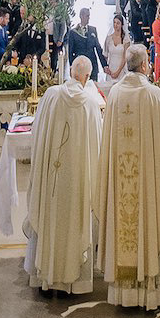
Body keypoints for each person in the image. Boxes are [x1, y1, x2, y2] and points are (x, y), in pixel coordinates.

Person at [95, 44, 160, 311]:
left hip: (122, 183)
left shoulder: (115, 94)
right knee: (148, 221)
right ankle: (151, 294)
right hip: (148, 184)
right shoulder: (154, 95)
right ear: (145, 66)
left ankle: (123, 294)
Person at [24, 57, 103, 296]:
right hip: (76, 183)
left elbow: (36, 134)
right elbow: (96, 148)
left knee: (49, 220)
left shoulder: (49, 97)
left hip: (51, 181)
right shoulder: (89, 104)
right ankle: (73, 283)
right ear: (87, 77)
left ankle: (45, 279)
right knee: (73, 224)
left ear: (70, 72)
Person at [65, 5, 108, 82]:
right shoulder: (73, 32)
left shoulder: (93, 30)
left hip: (92, 65)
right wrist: (72, 67)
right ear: (81, 16)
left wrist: (104, 65)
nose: (88, 18)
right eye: (87, 16)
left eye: (89, 16)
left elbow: (98, 48)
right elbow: (70, 52)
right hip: (80, 66)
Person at [105, 13, 128, 82]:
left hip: (121, 68)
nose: (115, 25)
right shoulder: (109, 38)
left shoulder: (125, 40)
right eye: (114, 22)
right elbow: (105, 54)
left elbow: (125, 58)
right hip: (111, 67)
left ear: (122, 25)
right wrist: (106, 67)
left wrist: (117, 72)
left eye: (118, 23)